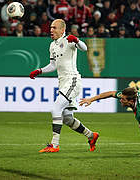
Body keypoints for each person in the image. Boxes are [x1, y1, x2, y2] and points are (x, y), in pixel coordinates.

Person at [29, 19, 99, 153]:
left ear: (62, 30)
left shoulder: (68, 40)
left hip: (72, 80)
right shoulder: (52, 45)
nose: (51, 30)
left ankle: (54, 145)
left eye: (54, 28)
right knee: (67, 118)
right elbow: (53, 65)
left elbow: (85, 48)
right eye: (50, 28)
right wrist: (40, 71)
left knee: (55, 109)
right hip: (63, 83)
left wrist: (77, 40)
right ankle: (91, 135)